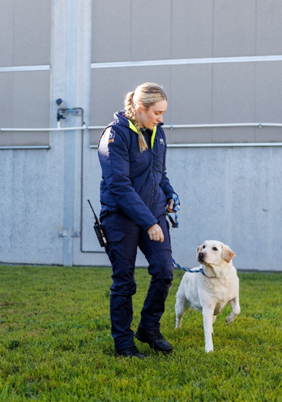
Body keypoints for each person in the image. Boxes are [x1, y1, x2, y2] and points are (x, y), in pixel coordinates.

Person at [98, 82, 178, 358]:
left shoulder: (158, 133)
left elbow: (159, 174)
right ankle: (124, 345)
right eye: (157, 112)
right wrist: (149, 222)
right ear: (140, 108)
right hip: (121, 218)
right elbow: (119, 187)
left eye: (163, 113)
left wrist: (169, 193)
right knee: (125, 282)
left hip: (153, 213)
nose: (161, 118)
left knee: (164, 271)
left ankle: (148, 328)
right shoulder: (115, 136)